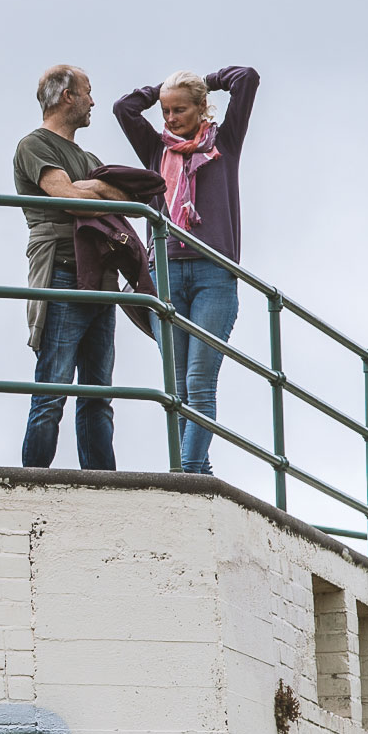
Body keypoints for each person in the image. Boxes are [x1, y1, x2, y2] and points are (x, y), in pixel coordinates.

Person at [115, 65, 260, 474]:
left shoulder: (224, 143)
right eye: (166, 111)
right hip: (166, 274)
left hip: (215, 276)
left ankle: (186, 474)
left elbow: (246, 78)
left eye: (180, 109)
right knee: (177, 388)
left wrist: (206, 80)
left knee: (199, 383)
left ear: (201, 108)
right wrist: (158, 89)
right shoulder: (155, 150)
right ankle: (198, 473)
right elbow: (124, 108)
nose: (171, 119)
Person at [13, 66, 134, 470]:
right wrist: (93, 190)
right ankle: (33, 483)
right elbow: (66, 196)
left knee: (99, 395)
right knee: (53, 389)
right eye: (87, 92)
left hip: (101, 278)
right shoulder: (33, 145)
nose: (92, 101)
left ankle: (103, 482)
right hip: (63, 271)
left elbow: (121, 197)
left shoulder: (89, 158)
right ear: (67, 96)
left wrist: (93, 189)